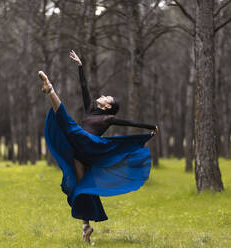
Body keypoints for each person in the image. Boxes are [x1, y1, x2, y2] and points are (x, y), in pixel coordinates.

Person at [39, 50, 158, 243]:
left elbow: (129, 123)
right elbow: (84, 88)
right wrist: (80, 66)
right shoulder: (91, 111)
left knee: (68, 124)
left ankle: (50, 90)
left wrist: (150, 129)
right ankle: (86, 227)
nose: (102, 96)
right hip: (80, 153)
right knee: (81, 188)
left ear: (107, 106)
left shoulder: (108, 118)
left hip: (89, 145)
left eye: (106, 97)